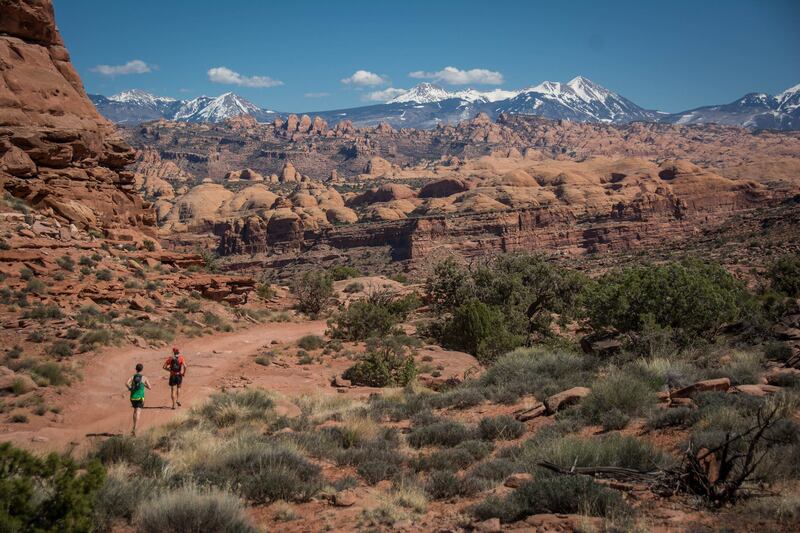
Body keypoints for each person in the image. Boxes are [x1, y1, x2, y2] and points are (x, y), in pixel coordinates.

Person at [126, 363, 151, 436]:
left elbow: (126, 383)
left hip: (133, 397)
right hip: (140, 397)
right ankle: (135, 429)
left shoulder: (133, 377)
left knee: (135, 411)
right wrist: (144, 384)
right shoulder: (144, 378)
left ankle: (134, 426)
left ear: (136, 369)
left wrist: (130, 388)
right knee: (138, 412)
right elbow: (150, 387)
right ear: (142, 369)